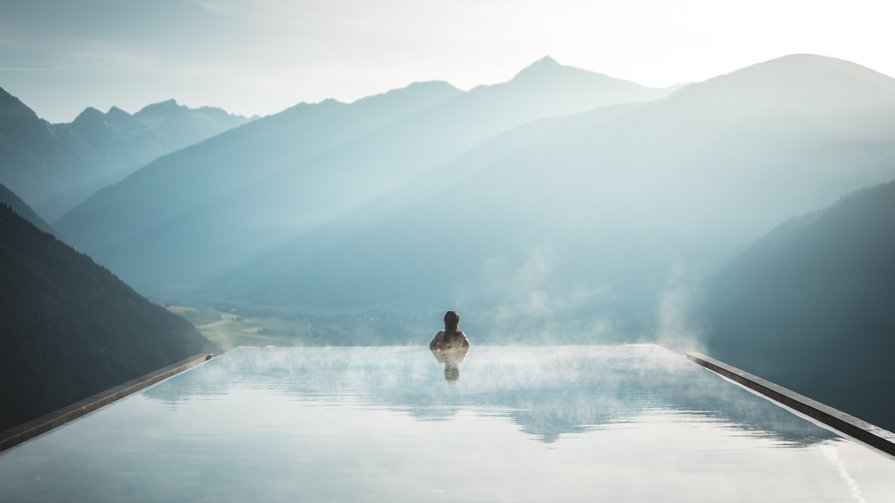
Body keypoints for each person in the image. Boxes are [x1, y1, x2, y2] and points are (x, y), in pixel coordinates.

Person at [430, 310, 470, 382]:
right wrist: (462, 356)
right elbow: (467, 345)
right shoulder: (461, 335)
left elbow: (431, 346)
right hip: (456, 359)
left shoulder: (441, 335)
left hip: (445, 359)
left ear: (445, 322)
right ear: (457, 322)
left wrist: (438, 356)